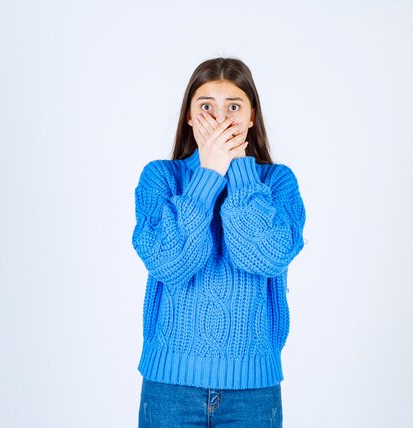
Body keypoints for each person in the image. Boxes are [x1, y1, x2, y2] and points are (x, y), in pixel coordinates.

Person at [131, 57, 306, 427]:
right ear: (190, 116)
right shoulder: (160, 178)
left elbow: (263, 257)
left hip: (253, 391)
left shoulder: (277, 183)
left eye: (234, 107)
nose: (221, 118)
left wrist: (239, 169)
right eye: (207, 106)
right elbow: (171, 264)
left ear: (252, 117)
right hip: (170, 387)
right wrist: (208, 174)